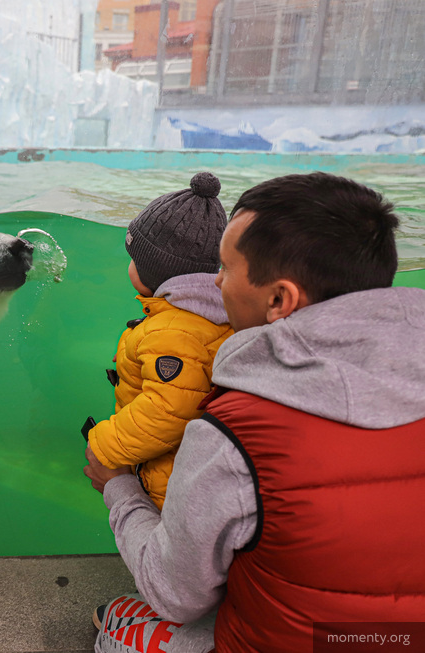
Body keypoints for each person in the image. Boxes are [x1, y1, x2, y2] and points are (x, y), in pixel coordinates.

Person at [85, 172, 425, 652]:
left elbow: (173, 594)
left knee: (122, 622)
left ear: (279, 300)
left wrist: (117, 487)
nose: (216, 282)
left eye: (224, 268)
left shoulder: (237, 429)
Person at [84, 172, 232, 510]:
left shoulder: (173, 330)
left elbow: (170, 408)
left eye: (134, 259)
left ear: (153, 270)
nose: (130, 267)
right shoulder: (212, 314)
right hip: (196, 473)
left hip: (173, 485)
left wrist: (105, 445)